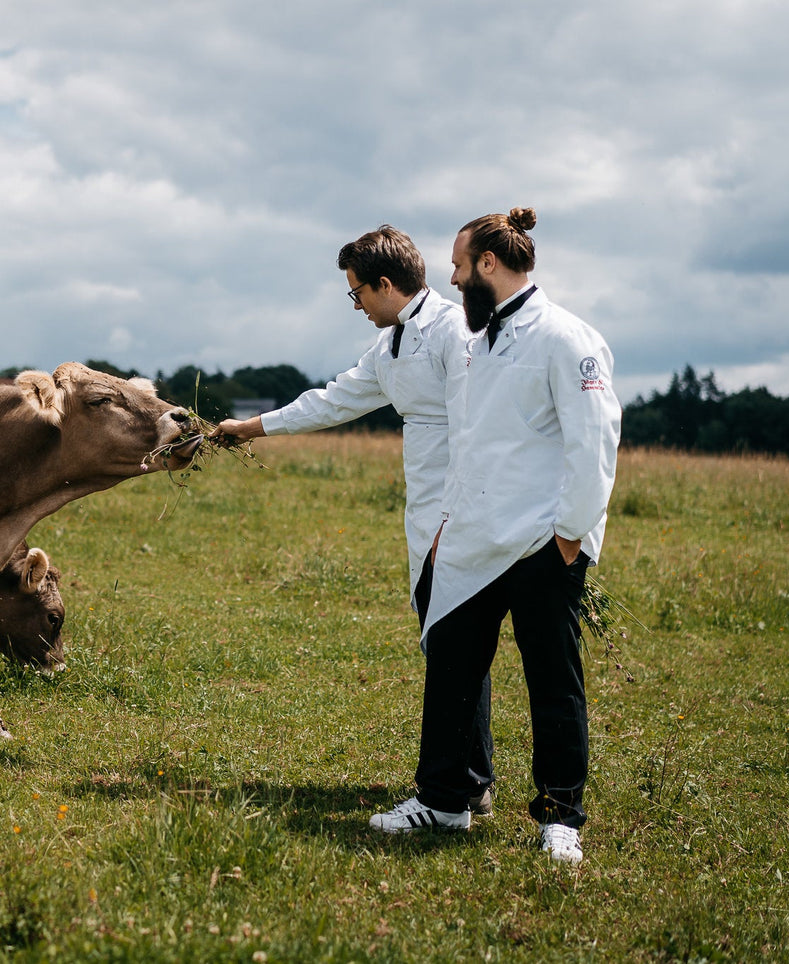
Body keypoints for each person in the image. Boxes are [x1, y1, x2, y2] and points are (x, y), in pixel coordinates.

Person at [213, 225, 495, 817]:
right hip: (425, 507)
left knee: (452, 646)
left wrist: (455, 516)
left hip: (459, 508)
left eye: (357, 293)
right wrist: (253, 426)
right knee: (447, 645)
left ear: (385, 285)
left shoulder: (453, 331)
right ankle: (473, 780)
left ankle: (449, 795)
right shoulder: (390, 344)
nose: (357, 305)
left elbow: (477, 427)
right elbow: (333, 401)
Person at [368, 207, 621, 865]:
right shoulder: (476, 344)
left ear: (486, 264)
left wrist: (569, 538)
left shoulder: (566, 337)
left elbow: (594, 442)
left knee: (551, 680)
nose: (450, 282)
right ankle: (446, 801)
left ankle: (560, 816)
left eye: (456, 267)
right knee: (450, 666)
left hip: (543, 543)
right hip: (473, 543)